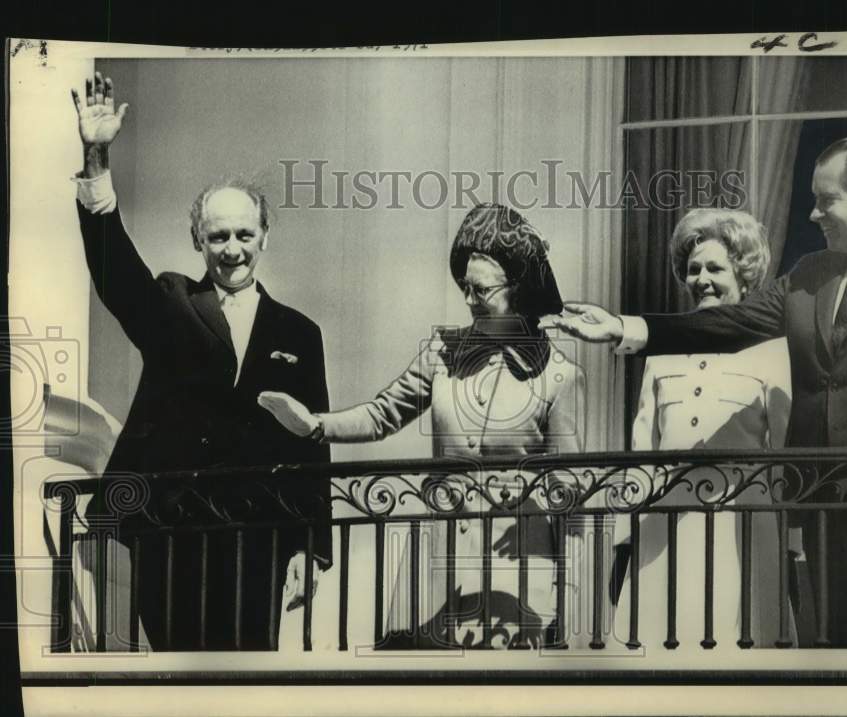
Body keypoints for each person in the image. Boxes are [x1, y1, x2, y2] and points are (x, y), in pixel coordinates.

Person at [550, 137, 847, 647]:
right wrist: (624, 327)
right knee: (843, 652)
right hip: (829, 506)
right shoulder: (810, 274)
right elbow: (728, 324)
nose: (813, 213)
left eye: (827, 201)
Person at [71, 73, 331, 651]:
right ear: (197, 240)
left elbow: (311, 445)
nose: (232, 249)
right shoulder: (170, 303)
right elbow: (114, 269)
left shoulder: (299, 332)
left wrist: (310, 547)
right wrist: (96, 160)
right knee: (176, 676)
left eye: (244, 234)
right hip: (171, 531)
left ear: (266, 238)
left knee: (249, 679)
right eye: (217, 237)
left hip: (259, 537)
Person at [259, 203, 586, 649]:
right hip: (443, 559)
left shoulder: (559, 375)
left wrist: (568, 596)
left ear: (520, 288)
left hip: (521, 569)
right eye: (464, 287)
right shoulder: (442, 352)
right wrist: (315, 426)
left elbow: (568, 497)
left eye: (481, 291)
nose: (469, 301)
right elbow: (382, 413)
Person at [612, 209, 792, 650]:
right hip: (666, 524)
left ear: (744, 275)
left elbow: (784, 455)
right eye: (693, 270)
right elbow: (642, 448)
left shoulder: (772, 351)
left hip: (742, 526)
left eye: (715, 268)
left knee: (740, 648)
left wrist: (793, 545)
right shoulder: (663, 352)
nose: (702, 280)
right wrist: (626, 536)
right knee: (661, 647)